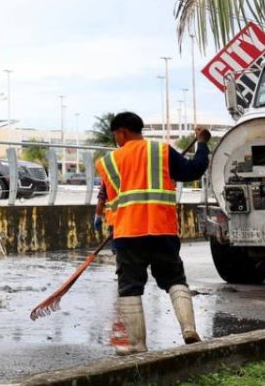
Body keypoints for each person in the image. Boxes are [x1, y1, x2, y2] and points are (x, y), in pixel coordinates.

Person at [94, 112, 211, 355]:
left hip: (128, 234)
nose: (116, 139)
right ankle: (189, 329)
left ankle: (137, 345)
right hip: (163, 230)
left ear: (122, 132)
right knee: (175, 279)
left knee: (130, 286)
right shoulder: (162, 152)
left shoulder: (109, 161)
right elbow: (193, 171)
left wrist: (106, 221)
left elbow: (113, 200)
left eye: (115, 134)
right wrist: (201, 144)